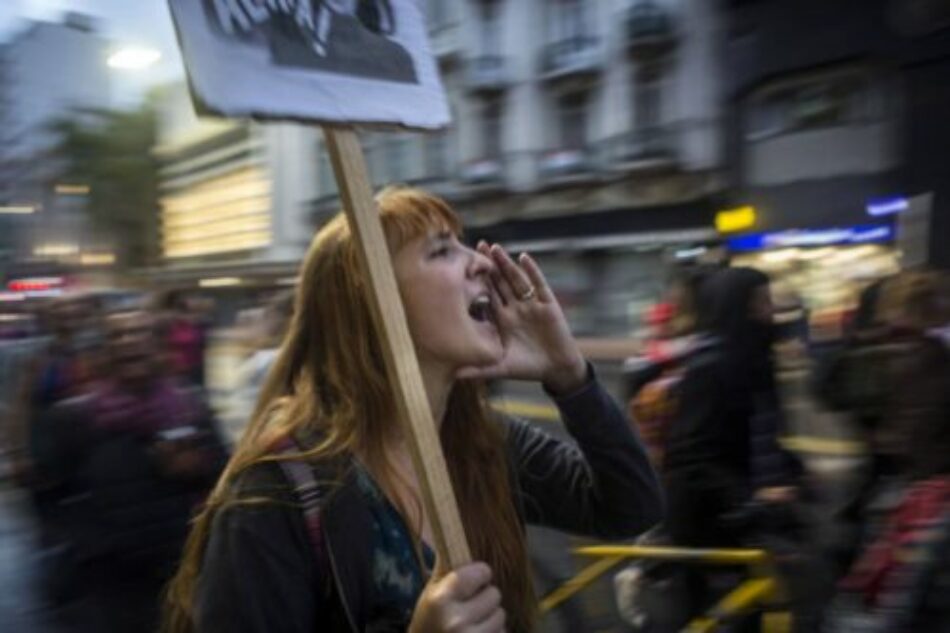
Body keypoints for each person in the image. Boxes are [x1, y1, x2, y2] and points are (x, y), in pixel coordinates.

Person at [163, 186, 663, 633]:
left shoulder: (485, 443)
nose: (482, 262)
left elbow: (631, 507)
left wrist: (570, 375)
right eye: (442, 250)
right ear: (374, 303)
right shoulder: (276, 493)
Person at [45, 309, 227, 632]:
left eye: (141, 333)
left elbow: (227, 478)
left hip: (179, 567)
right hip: (111, 580)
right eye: (118, 335)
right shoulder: (75, 418)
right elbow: (52, 493)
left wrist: (197, 468)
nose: (130, 341)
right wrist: (89, 544)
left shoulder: (190, 407)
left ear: (159, 348)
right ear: (105, 350)